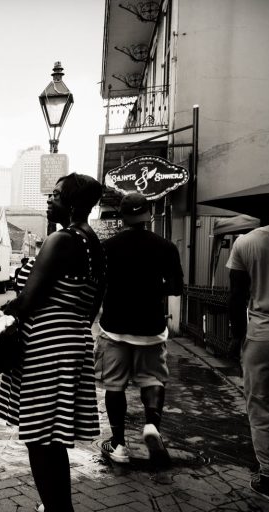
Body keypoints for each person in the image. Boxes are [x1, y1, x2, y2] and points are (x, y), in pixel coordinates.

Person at [0, 173, 105, 512]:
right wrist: (68, 330)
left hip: (45, 346)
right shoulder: (94, 244)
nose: (49, 199)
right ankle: (57, 505)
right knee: (51, 437)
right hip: (71, 342)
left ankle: (58, 509)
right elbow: (91, 305)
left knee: (40, 440)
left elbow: (27, 300)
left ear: (72, 203)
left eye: (56, 195)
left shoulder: (61, 240)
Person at [96, 192, 183, 468]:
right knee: (153, 380)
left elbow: (98, 286)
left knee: (114, 385)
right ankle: (151, 426)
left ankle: (119, 444)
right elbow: (176, 288)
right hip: (152, 328)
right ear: (148, 215)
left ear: (122, 216)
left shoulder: (107, 247)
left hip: (115, 328)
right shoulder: (166, 247)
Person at [227, 181, 269, 505]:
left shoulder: (247, 243)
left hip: (264, 336)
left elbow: (236, 297)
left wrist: (236, 336)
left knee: (264, 408)